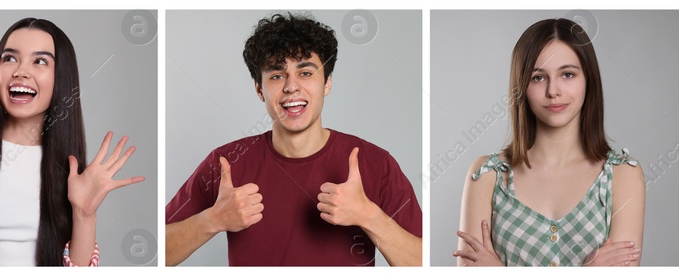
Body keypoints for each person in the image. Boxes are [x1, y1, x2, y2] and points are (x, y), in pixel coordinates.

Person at [163, 13, 423, 266]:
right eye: (276, 75)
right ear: (259, 90)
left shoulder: (376, 163)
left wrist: (370, 217)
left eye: (306, 73)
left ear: (327, 83)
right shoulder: (226, 164)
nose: (291, 86)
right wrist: (213, 220)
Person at [0, 17, 145, 266]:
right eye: (9, 58)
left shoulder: (73, 171)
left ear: (61, 78)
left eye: (40, 61)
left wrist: (84, 216)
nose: (21, 72)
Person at [452, 18, 646, 267]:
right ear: (520, 86)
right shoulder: (486, 175)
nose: (553, 90)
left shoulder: (624, 174)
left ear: (588, 79)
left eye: (567, 74)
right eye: (538, 78)